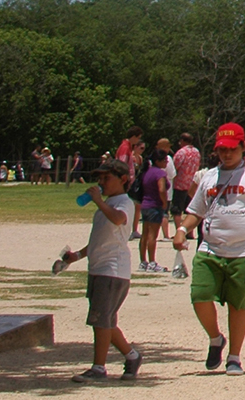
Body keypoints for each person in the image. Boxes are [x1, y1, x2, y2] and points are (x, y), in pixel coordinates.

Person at [177, 122, 245, 376]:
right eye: (222, 149)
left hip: (244, 251)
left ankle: (234, 356)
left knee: (237, 303)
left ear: (243, 147)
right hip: (210, 248)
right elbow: (195, 211)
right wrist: (180, 230)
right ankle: (215, 338)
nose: (226, 154)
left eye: (232, 149)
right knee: (199, 296)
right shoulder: (209, 176)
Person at [58, 158, 143, 381]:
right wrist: (75, 256)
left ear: (123, 179)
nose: (101, 182)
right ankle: (132, 356)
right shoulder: (106, 206)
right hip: (98, 269)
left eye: (107, 178)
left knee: (101, 320)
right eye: (100, 178)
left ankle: (99, 367)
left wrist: (98, 201)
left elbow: (118, 220)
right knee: (104, 320)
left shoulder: (123, 202)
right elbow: (99, 240)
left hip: (112, 271)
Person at [137, 149, 171, 272]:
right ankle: (152, 262)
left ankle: (143, 261)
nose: (166, 162)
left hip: (145, 205)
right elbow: (161, 189)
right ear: (158, 161)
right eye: (164, 160)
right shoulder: (160, 174)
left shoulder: (147, 172)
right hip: (154, 205)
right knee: (153, 235)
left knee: (145, 234)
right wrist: (164, 202)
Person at [171, 132, 200, 220]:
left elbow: (174, 167)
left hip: (180, 184)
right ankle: (190, 232)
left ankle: (178, 229)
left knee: (177, 209)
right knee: (189, 209)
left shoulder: (181, 152)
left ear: (182, 141)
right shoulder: (196, 152)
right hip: (191, 184)